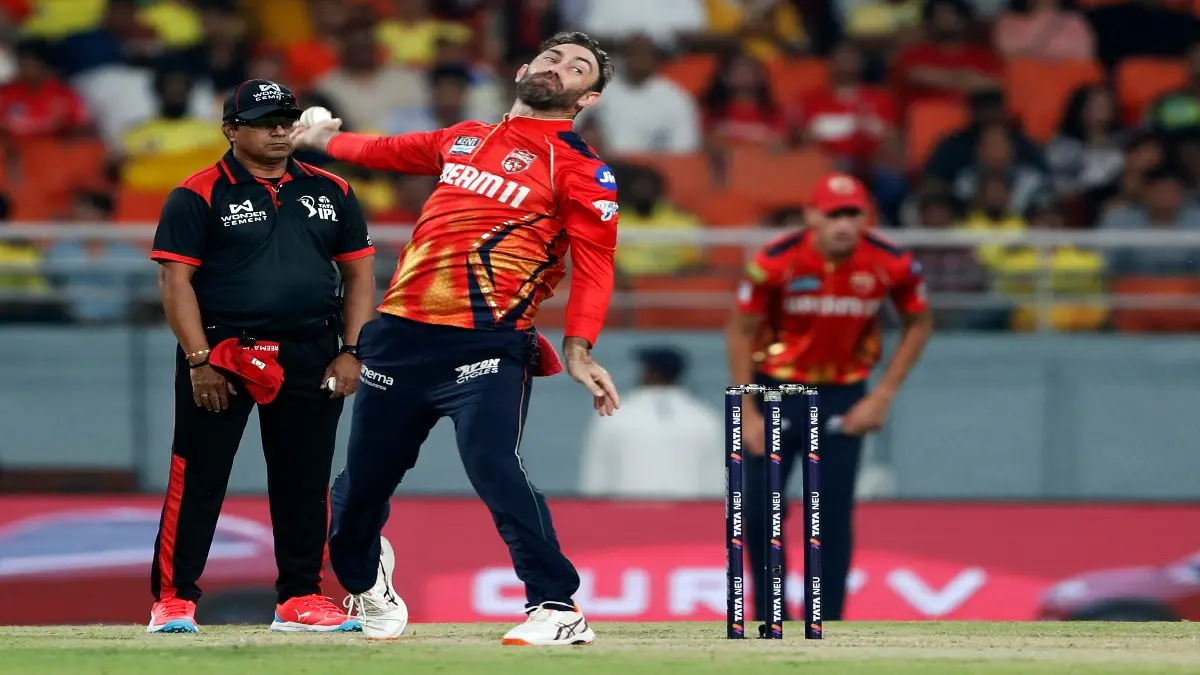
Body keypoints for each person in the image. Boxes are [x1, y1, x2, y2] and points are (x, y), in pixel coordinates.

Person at [289, 32, 620, 645]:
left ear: (588, 98)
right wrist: (319, 140)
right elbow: (381, 150)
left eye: (577, 69)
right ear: (525, 68)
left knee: (493, 465)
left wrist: (578, 349)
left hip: (488, 343)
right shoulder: (464, 137)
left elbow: (597, 266)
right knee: (359, 488)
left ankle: (557, 606)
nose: (560, 68)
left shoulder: (579, 167)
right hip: (397, 337)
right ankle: (368, 583)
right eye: (552, 57)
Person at [146, 79, 377, 634]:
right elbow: (176, 282)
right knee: (198, 475)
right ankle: (174, 600)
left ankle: (299, 597)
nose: (280, 129)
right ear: (231, 129)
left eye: (287, 119)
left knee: (304, 479)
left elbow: (360, 274)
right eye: (265, 120)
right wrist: (198, 358)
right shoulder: (197, 193)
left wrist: (352, 351)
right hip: (225, 351)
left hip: (311, 352)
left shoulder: (333, 190)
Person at [725, 172, 933, 623]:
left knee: (831, 515)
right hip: (775, 388)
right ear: (812, 216)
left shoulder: (891, 262)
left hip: (842, 395)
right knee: (760, 512)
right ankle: (769, 617)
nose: (842, 224)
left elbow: (920, 321)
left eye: (852, 213)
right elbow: (740, 332)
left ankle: (828, 621)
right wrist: (748, 409)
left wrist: (883, 395)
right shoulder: (775, 261)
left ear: (866, 218)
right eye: (833, 214)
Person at [579, 346, 723, 498]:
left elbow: (596, 476)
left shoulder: (613, 414)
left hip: (625, 514)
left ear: (648, 372)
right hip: (689, 515)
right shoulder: (705, 417)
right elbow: (717, 479)